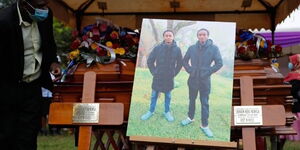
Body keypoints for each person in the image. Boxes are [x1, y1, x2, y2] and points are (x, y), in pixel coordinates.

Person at [0, 0, 60, 149]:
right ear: (24, 4)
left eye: (46, 5)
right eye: (40, 6)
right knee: (6, 137)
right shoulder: (3, 21)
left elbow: (49, 43)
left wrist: (53, 62)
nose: (44, 10)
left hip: (33, 88)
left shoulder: (46, 16)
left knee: (28, 139)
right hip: (7, 89)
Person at [181, 28, 223, 138]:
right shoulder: (192, 48)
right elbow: (184, 61)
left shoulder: (214, 49)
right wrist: (190, 70)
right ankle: (190, 118)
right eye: (200, 34)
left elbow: (219, 63)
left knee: (204, 103)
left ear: (207, 36)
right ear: (197, 36)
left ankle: (204, 125)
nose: (202, 36)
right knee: (191, 99)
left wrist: (208, 72)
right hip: (193, 79)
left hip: (205, 80)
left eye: (204, 34)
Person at [140, 30, 183, 122]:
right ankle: (151, 111)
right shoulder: (157, 48)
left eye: (170, 35)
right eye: (166, 35)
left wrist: (174, 73)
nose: (168, 37)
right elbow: (150, 61)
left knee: (168, 96)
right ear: (164, 37)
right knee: (154, 95)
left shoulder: (177, 49)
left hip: (169, 77)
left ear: (173, 37)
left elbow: (180, 63)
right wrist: (154, 71)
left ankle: (167, 112)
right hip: (158, 76)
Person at [279, 54, 300, 148]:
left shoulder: (297, 77)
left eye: (291, 62)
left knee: (282, 133)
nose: (289, 64)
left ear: (296, 63)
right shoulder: (291, 75)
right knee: (282, 135)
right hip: (291, 107)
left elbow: (290, 90)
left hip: (294, 109)